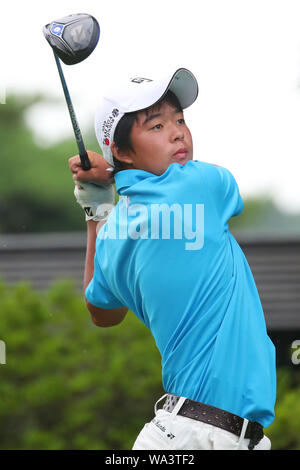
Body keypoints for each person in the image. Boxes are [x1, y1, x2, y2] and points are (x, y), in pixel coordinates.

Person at [68, 68, 276, 451]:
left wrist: (97, 210)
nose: (178, 132)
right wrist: (111, 175)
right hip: (200, 434)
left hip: (187, 433)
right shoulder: (203, 186)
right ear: (121, 148)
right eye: (157, 125)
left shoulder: (112, 236)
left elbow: (101, 312)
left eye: (180, 120)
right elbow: (189, 189)